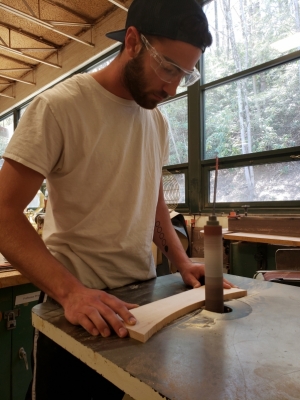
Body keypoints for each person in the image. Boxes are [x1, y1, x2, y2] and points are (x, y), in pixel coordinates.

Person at [0, 0, 235, 398]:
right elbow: (3, 212)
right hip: (76, 303)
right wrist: (71, 294)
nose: (171, 87)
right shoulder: (59, 107)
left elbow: (153, 196)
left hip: (143, 298)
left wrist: (181, 262)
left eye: (184, 75)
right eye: (167, 67)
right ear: (131, 41)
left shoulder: (155, 120)